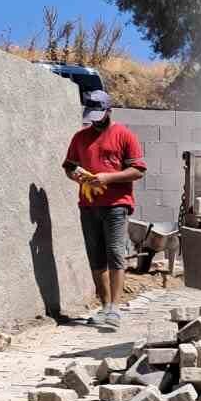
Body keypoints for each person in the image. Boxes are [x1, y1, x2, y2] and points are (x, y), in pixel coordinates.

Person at [62, 91, 146, 331]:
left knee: (115, 253)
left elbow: (138, 170)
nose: (95, 121)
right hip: (88, 206)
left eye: (99, 116)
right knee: (96, 256)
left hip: (116, 205)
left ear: (109, 111)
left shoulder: (124, 136)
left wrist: (108, 177)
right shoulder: (80, 137)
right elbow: (68, 167)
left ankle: (116, 309)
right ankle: (105, 306)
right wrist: (79, 178)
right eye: (91, 117)